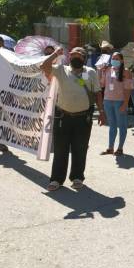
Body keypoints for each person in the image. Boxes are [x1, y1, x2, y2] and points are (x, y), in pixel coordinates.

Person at [41, 47, 103, 191]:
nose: (76, 57)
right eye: (73, 55)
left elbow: (97, 93)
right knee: (60, 149)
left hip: (83, 118)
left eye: (79, 55)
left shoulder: (90, 72)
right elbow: (44, 66)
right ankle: (56, 179)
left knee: (80, 149)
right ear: (69, 57)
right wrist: (55, 54)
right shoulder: (61, 70)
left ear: (84, 58)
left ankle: (77, 177)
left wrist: (102, 111)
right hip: (63, 117)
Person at [100, 52, 133, 156]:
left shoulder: (126, 72)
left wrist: (125, 103)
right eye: (113, 58)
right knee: (112, 126)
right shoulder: (108, 70)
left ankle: (120, 148)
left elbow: (128, 89)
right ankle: (110, 148)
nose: (114, 60)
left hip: (120, 101)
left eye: (117, 58)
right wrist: (101, 72)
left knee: (122, 126)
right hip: (107, 101)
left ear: (122, 60)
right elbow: (102, 84)